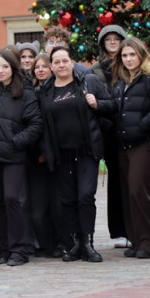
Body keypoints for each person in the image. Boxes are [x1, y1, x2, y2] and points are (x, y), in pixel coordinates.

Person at [37, 45, 114, 263]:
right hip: (61, 154)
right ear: (51, 66)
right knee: (68, 199)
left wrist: (97, 104)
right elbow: (40, 123)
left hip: (86, 151)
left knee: (85, 196)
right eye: (57, 62)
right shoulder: (44, 91)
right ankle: (75, 244)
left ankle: (88, 244)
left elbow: (112, 106)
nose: (61, 65)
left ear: (72, 62)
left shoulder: (89, 82)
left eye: (65, 61)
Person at [0, 49, 42, 266]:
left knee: (12, 199)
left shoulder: (25, 93)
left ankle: (19, 249)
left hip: (14, 156)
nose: (1, 71)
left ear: (13, 68)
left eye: (5, 66)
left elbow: (35, 125)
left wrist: (15, 142)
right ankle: (5, 247)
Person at [112, 38, 150, 259]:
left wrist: (143, 125)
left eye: (132, 54)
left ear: (141, 55)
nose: (128, 59)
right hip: (124, 144)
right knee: (128, 194)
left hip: (145, 143)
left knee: (140, 191)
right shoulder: (121, 81)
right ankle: (137, 241)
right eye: (124, 55)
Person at [89, 24, 130, 250]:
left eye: (117, 38)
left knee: (132, 181)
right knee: (115, 182)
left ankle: (135, 228)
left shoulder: (130, 64)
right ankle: (119, 231)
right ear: (102, 43)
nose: (113, 42)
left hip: (131, 129)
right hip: (108, 132)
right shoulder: (94, 69)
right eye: (108, 39)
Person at [28, 52, 64, 257]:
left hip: (56, 155)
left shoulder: (57, 91)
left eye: (44, 66)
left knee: (57, 203)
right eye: (37, 67)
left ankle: (60, 242)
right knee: (38, 206)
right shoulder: (31, 92)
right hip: (36, 157)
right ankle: (44, 243)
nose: (40, 70)